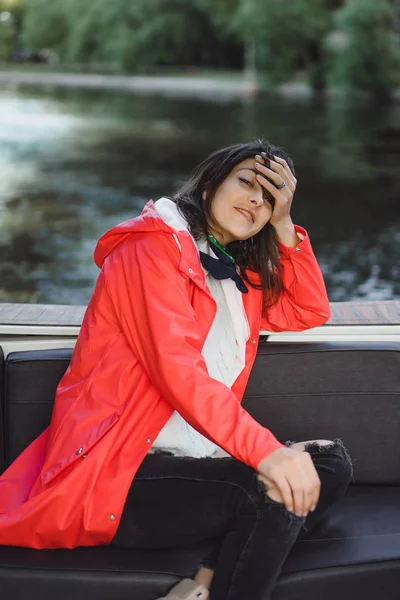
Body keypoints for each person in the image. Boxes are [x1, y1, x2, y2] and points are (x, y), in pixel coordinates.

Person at [0, 140, 353, 600]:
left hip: (195, 460)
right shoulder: (148, 250)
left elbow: (308, 311)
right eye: (246, 183)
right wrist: (269, 453)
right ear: (209, 187)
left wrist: (286, 225)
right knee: (269, 486)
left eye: (268, 198)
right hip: (120, 471)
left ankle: (205, 578)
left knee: (331, 461)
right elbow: (178, 371)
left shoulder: (236, 278)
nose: (255, 200)